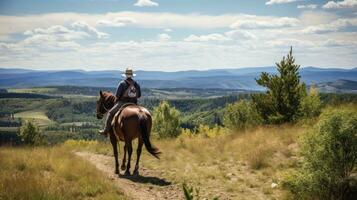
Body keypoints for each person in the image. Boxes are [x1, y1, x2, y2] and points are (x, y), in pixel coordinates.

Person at [99, 68, 141, 136]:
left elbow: (117, 96)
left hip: (122, 103)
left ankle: (105, 130)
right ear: (132, 75)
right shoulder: (136, 84)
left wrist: (116, 101)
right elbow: (139, 95)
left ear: (125, 75)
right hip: (134, 104)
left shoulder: (122, 83)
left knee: (110, 113)